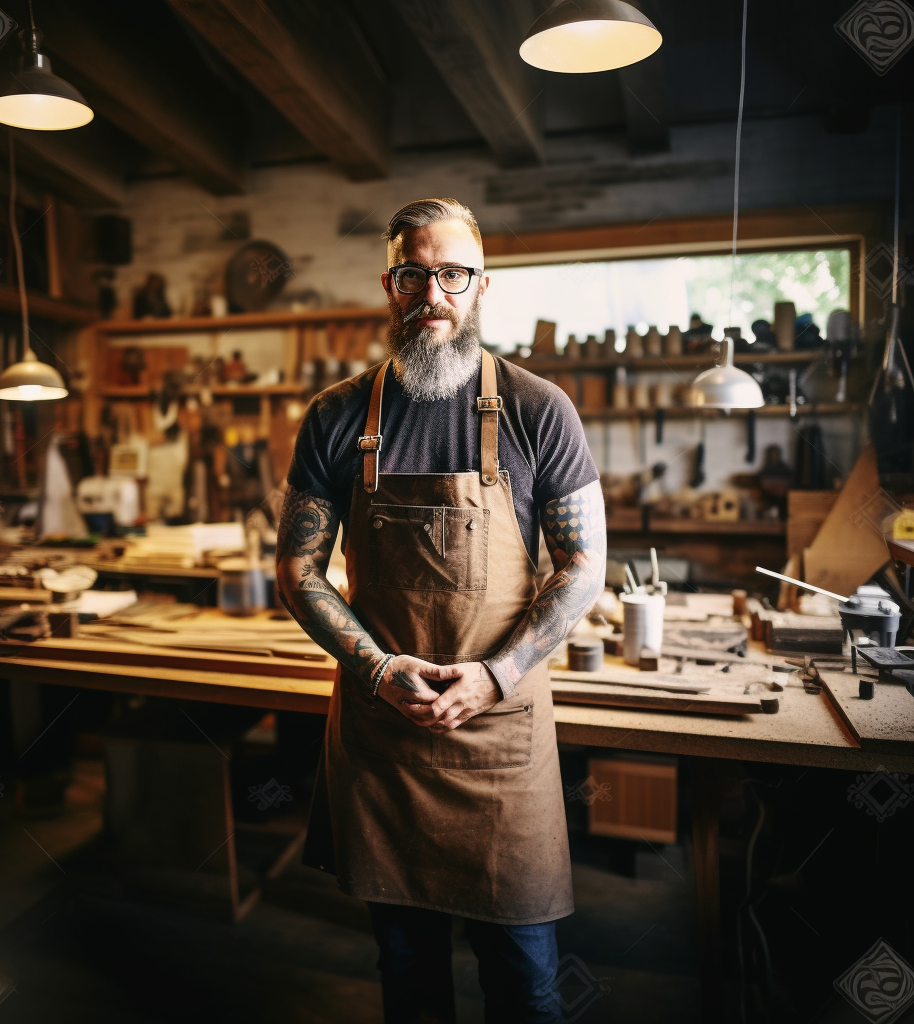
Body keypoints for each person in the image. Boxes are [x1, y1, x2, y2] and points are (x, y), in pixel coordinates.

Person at [275, 198, 606, 1024]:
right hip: (384, 733)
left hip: (501, 734)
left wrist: (495, 677)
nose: (433, 292)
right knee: (407, 968)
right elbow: (298, 570)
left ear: (481, 284)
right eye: (412, 273)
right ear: (389, 285)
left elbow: (583, 564)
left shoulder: (538, 410)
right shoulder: (337, 415)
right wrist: (379, 671)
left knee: (525, 983)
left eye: (451, 273)